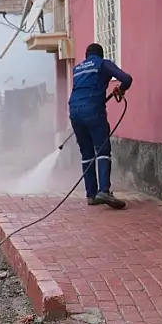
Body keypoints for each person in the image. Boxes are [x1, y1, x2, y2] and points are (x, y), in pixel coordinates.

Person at [68, 43, 132, 209]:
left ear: (86, 55)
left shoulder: (77, 68)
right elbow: (126, 79)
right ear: (100, 55)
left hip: (74, 111)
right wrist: (121, 89)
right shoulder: (102, 63)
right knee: (102, 150)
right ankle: (104, 190)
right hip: (93, 110)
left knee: (87, 153)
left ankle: (91, 195)